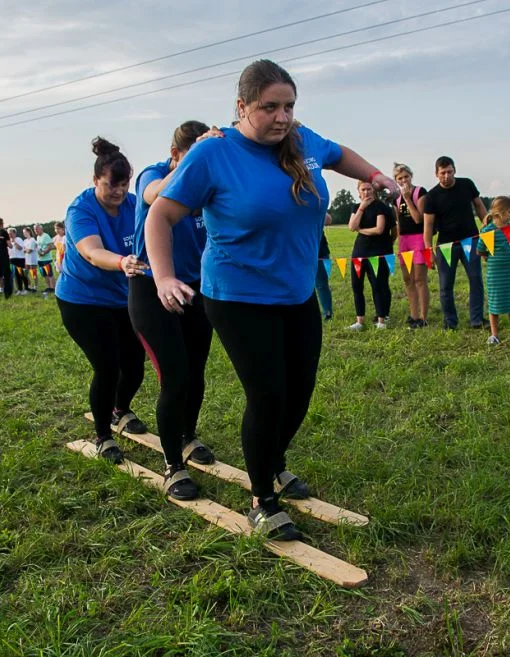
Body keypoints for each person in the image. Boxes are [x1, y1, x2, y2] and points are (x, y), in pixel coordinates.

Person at [144, 59, 399, 540]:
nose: (282, 117)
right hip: (238, 295)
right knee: (268, 393)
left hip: (296, 291)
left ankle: (273, 461)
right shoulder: (212, 154)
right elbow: (159, 215)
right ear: (241, 107)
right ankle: (263, 498)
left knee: (299, 391)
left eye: (289, 106)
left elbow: (339, 153)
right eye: (270, 107)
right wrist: (162, 277)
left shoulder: (299, 140)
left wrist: (377, 175)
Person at [128, 120, 218, 501]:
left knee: (195, 372)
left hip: (195, 288)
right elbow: (156, 192)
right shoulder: (154, 174)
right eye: (190, 159)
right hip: (152, 287)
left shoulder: (208, 183)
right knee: (175, 376)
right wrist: (197, 158)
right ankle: (173, 466)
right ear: (175, 156)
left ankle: (186, 435)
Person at [56, 136, 150, 464]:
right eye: (112, 185)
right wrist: (122, 262)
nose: (119, 191)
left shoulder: (134, 205)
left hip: (121, 300)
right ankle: (103, 436)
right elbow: (92, 252)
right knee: (107, 367)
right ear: (95, 180)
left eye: (124, 184)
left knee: (135, 366)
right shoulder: (81, 209)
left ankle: (119, 410)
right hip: (82, 300)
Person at [423, 156, 488, 330]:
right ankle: (450, 322)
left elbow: (479, 206)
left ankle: (477, 319)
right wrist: (429, 250)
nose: (446, 176)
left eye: (449, 172)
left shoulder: (467, 184)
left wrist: (487, 226)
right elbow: (428, 226)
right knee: (445, 286)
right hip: (445, 246)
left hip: (472, 240)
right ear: (436, 174)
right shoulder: (431, 196)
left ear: (455, 170)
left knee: (475, 280)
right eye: (442, 173)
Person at [347, 180, 394, 330]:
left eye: (369, 189)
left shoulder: (381, 207)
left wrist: (361, 230)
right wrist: (362, 208)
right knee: (357, 287)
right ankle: (360, 321)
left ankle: (381, 320)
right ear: (359, 192)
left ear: (373, 191)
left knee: (378, 286)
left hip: (377, 254)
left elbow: (379, 229)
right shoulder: (356, 207)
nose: (366, 192)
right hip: (359, 253)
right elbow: (351, 227)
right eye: (363, 190)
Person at [477, 197, 510, 344]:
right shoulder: (487, 231)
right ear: (499, 213)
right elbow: (480, 250)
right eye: (509, 212)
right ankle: (494, 335)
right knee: (494, 304)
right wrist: (488, 257)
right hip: (494, 274)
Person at [392, 163, 429, 328]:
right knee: (408, 280)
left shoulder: (420, 192)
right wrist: (396, 240)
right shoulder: (395, 198)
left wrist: (407, 198)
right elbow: (398, 221)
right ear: (396, 180)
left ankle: (423, 317)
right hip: (404, 240)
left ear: (411, 176)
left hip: (418, 237)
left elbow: (418, 219)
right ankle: (413, 315)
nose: (404, 180)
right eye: (400, 178)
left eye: (406, 176)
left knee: (419, 279)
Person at [314, 213, 333, 321]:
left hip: (319, 251)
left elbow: (328, 220)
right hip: (298, 250)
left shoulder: (315, 202)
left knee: (321, 284)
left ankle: (327, 313)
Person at [34, 224, 56, 296]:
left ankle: (53, 288)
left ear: (41, 229)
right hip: (40, 259)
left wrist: (44, 252)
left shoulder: (46, 236)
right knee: (44, 274)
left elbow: (50, 246)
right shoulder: (37, 237)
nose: (35, 231)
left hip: (47, 258)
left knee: (49, 274)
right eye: (34, 229)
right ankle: (48, 287)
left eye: (37, 229)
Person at [21, 226, 39, 293]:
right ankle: (29, 285)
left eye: (25, 232)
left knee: (33, 273)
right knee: (25, 273)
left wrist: (25, 250)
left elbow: (29, 251)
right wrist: (25, 250)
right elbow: (23, 250)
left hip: (32, 259)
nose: (24, 234)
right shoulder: (25, 241)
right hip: (26, 259)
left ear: (28, 232)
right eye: (23, 233)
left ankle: (35, 286)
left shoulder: (32, 240)